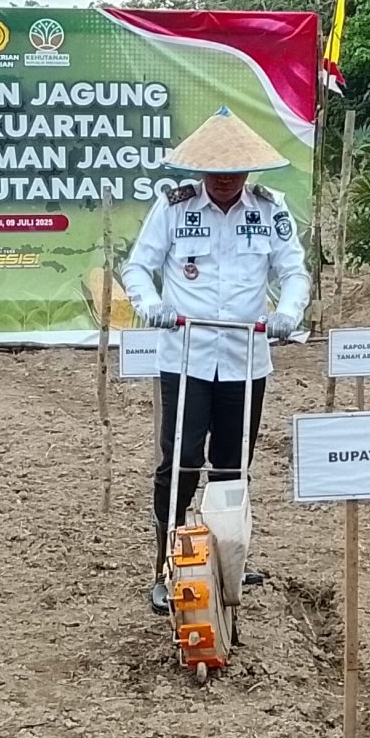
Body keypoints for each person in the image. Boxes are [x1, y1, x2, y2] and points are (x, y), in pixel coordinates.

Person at [122, 109, 310, 612]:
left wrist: (288, 312)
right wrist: (152, 305)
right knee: (180, 459)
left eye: (235, 170)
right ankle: (166, 563)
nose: (225, 179)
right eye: (216, 170)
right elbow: (137, 267)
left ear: (249, 169)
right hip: (186, 355)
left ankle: (229, 560)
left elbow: (293, 271)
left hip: (246, 358)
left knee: (233, 464)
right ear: (200, 168)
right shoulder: (173, 207)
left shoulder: (269, 209)